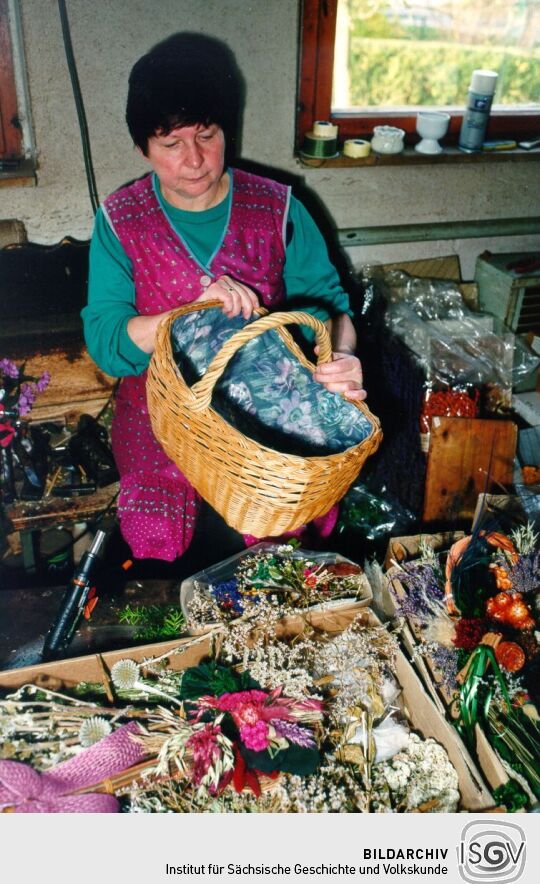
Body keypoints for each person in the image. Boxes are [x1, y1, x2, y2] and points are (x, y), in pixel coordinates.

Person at [83, 33, 365, 562]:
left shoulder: (279, 208)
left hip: (268, 414)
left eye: (207, 136)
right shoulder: (121, 221)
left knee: (281, 550)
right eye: (171, 144)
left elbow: (331, 305)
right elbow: (105, 340)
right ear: (142, 146)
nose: (194, 160)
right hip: (158, 417)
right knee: (158, 546)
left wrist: (341, 357)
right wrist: (190, 315)